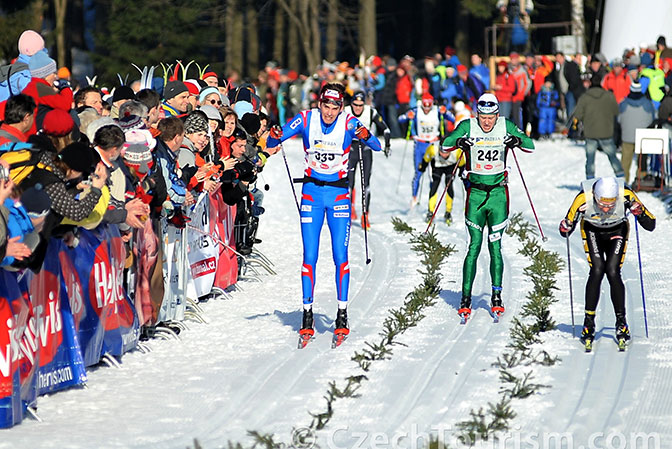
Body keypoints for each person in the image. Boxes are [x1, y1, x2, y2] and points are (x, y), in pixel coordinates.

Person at [266, 82, 382, 340]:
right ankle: (307, 314)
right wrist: (274, 132)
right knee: (310, 256)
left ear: (341, 108)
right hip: (312, 195)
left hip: (339, 196)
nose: (329, 112)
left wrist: (365, 134)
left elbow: (376, 146)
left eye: (335, 107)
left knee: (340, 256)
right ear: (319, 104)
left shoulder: (350, 123)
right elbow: (274, 139)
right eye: (326, 106)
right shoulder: (305, 119)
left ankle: (342, 313)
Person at [440, 93, 534, 320]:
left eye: (491, 117)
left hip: (499, 195)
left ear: (497, 115)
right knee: (473, 246)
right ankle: (465, 297)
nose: (487, 122)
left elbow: (530, 145)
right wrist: (460, 142)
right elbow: (445, 144)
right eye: (483, 117)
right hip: (476, 194)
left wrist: (517, 140)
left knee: (495, 247)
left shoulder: (505, 125)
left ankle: (496, 296)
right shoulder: (468, 126)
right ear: (477, 114)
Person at [559, 177, 656, 348]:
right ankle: (588, 323)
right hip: (592, 230)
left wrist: (639, 213)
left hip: (617, 229)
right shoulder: (583, 198)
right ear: (595, 196)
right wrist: (566, 226)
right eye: (602, 203)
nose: (606, 208)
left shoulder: (626, 195)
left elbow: (651, 224)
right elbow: (566, 226)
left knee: (612, 271)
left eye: (611, 204)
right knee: (597, 270)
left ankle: (621, 322)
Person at [398, 92, 454, 208]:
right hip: (420, 144)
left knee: (432, 174)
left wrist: (446, 112)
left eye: (429, 106)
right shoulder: (416, 110)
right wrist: (407, 116)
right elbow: (400, 119)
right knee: (418, 173)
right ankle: (414, 198)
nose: (427, 109)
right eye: (425, 106)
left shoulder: (437, 110)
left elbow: (452, 118)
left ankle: (431, 201)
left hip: (434, 144)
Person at [344, 91, 391, 229]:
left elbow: (386, 129)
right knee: (349, 182)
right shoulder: (345, 112)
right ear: (351, 103)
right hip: (350, 150)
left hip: (365, 150)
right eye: (355, 105)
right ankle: (349, 210)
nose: (358, 108)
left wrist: (387, 145)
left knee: (366, 184)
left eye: (360, 105)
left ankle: (365, 215)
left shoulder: (371, 112)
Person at [573, 74, 623, 179]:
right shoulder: (609, 96)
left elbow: (578, 115)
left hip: (590, 132)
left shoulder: (585, 97)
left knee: (590, 159)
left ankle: (590, 179)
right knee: (612, 156)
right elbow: (616, 111)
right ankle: (620, 177)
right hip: (606, 131)